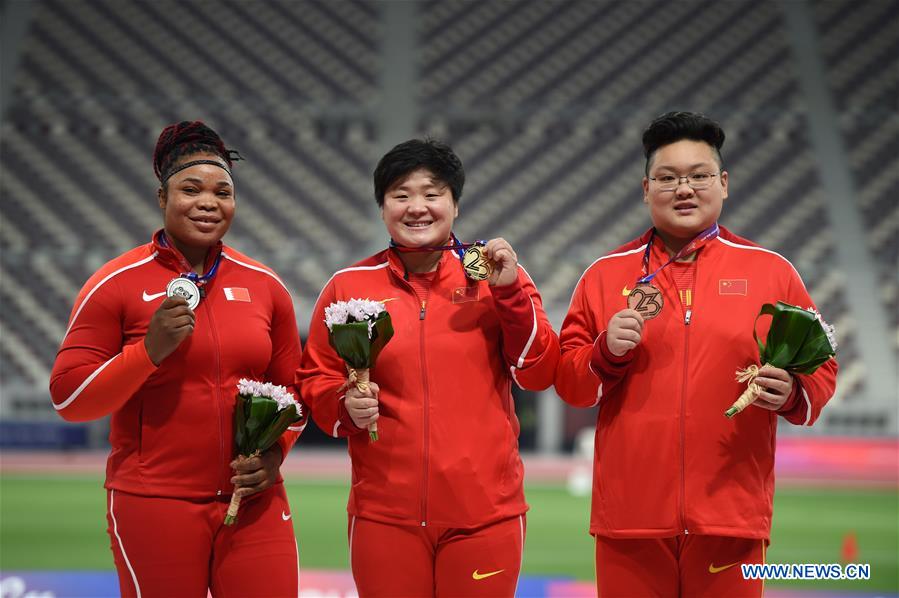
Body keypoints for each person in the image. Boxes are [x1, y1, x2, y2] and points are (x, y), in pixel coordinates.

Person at [555, 111, 838, 597]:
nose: (683, 189)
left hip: (731, 518)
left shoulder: (772, 273)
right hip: (630, 520)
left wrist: (793, 391)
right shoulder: (604, 276)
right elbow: (570, 382)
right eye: (667, 178)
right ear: (645, 189)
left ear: (724, 183)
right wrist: (605, 353)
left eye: (699, 176)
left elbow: (822, 369)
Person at [50, 121, 307, 597]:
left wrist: (274, 455)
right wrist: (147, 353)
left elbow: (295, 391)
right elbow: (69, 400)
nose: (209, 202)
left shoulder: (266, 285)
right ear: (161, 198)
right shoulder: (115, 283)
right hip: (154, 503)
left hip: (254, 499)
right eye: (191, 189)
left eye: (223, 191)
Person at [297, 138, 559, 597]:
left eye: (432, 193)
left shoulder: (492, 273)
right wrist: (345, 408)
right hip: (384, 517)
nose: (417, 207)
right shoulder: (349, 286)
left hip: (485, 516)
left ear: (455, 205)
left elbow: (537, 370)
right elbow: (315, 381)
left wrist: (511, 293)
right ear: (382, 208)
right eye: (400, 194)